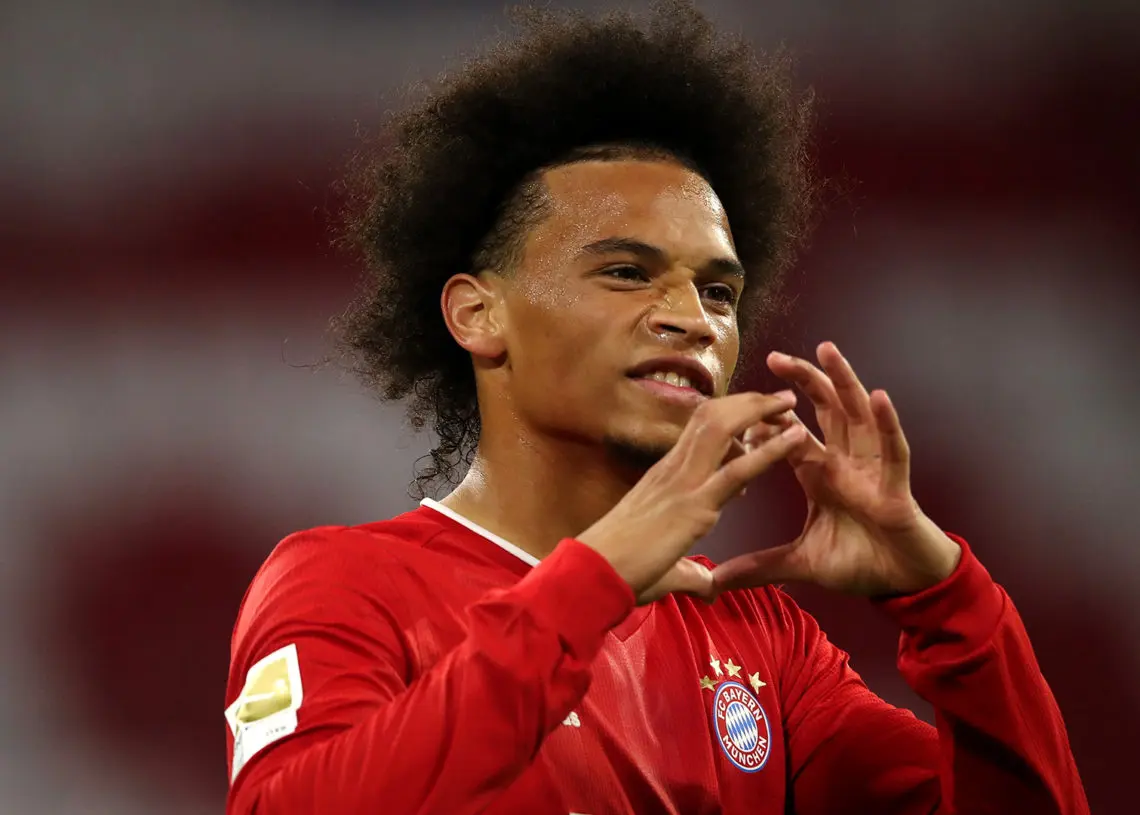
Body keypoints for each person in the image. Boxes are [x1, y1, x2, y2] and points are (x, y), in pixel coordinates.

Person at [223, 2, 1088, 812]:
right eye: (627, 272)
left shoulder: (763, 644)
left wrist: (948, 600)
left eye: (719, 290)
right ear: (477, 313)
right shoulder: (346, 586)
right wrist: (591, 582)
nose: (693, 318)